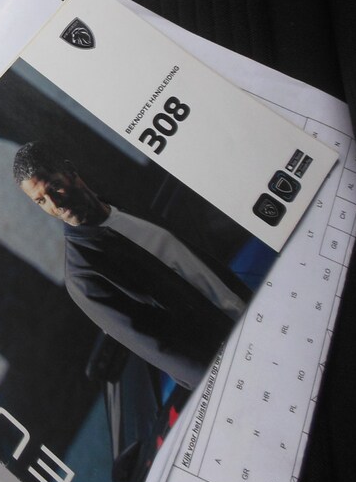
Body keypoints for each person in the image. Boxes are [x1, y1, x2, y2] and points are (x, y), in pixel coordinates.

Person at [13, 141, 249, 388]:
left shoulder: (129, 204)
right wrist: (226, 384)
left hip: (251, 312)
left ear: (70, 171)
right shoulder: (83, 275)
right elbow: (163, 351)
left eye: (54, 188)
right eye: (41, 201)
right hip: (233, 363)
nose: (55, 204)